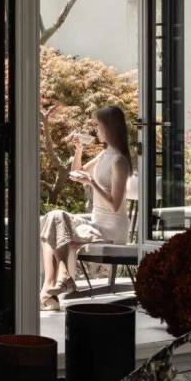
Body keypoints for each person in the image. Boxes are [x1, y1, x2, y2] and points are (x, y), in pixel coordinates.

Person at [40, 105, 132, 311]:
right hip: (95, 225)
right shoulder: (104, 154)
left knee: (54, 225)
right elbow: (76, 174)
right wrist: (79, 150)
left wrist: (91, 182)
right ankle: (61, 278)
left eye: (98, 125)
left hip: (111, 231)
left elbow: (115, 204)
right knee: (53, 217)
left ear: (109, 127)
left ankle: (51, 289)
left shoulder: (119, 161)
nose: (95, 130)